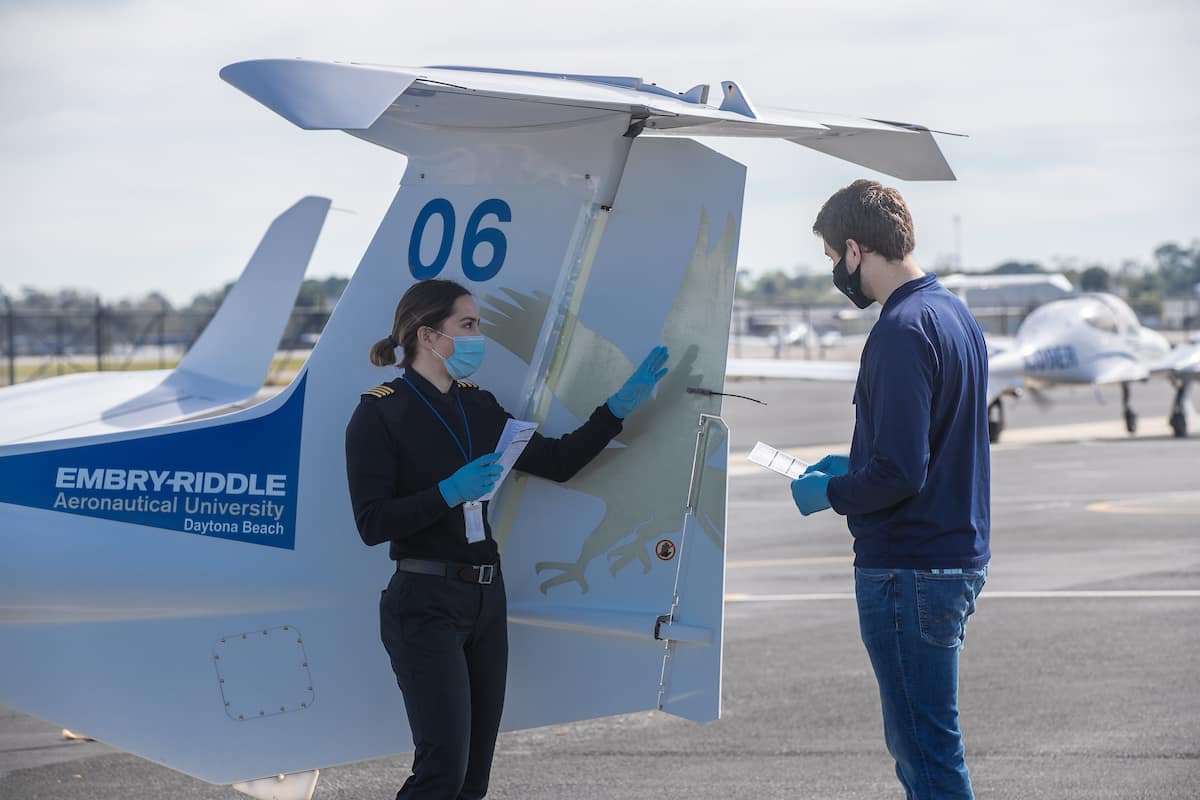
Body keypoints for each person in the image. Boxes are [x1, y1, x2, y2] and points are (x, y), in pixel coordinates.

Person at [344, 278, 668, 800]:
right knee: (441, 772)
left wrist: (618, 408)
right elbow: (371, 523)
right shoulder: (380, 413)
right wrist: (447, 492)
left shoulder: (479, 404)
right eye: (467, 326)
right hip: (424, 604)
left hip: (484, 601)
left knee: (472, 781)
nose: (478, 338)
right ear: (428, 336)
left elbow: (557, 463)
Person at [790, 180, 991, 799]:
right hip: (949, 557)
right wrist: (852, 460)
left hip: (910, 568)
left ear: (855, 249)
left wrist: (834, 492)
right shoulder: (953, 314)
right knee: (931, 747)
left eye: (831, 259)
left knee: (926, 759)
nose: (835, 272)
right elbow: (934, 439)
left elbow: (903, 472)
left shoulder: (900, 329)